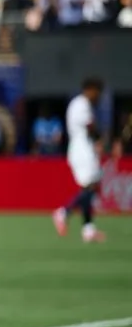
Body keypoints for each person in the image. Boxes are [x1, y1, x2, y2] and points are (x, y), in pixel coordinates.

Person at [53, 77, 107, 243]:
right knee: (90, 187)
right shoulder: (81, 104)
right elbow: (89, 126)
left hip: (83, 148)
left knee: (89, 188)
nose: (99, 96)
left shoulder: (81, 104)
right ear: (90, 89)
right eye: (98, 92)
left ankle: (88, 230)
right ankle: (64, 212)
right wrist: (100, 139)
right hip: (82, 149)